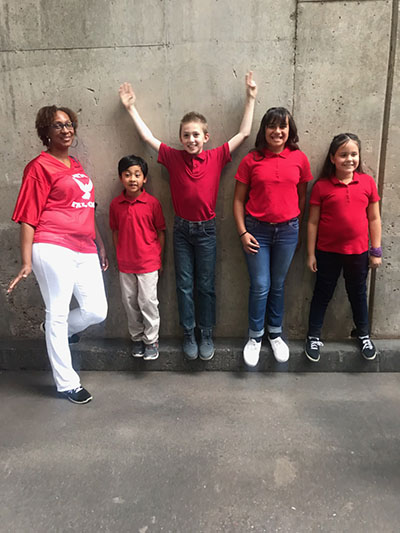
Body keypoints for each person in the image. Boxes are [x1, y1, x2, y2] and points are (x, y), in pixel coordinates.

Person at [119, 72, 257, 361]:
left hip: (206, 231)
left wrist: (250, 98)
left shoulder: (217, 156)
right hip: (181, 230)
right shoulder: (172, 157)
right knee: (184, 284)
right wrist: (131, 108)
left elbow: (243, 134)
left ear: (206, 137)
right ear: (180, 138)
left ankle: (206, 332)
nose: (191, 139)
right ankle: (189, 333)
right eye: (186, 135)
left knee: (205, 285)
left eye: (196, 135)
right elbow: (147, 137)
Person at [8, 105, 108, 404]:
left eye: (69, 124)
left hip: (84, 246)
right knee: (58, 312)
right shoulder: (39, 166)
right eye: (57, 125)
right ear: (46, 132)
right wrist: (26, 261)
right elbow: (28, 215)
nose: (65, 130)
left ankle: (55, 330)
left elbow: (87, 209)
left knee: (96, 310)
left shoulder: (76, 165)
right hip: (52, 244)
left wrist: (99, 242)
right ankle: (67, 383)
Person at [233, 107, 313, 367]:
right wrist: (243, 232)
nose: (277, 132)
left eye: (283, 127)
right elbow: (237, 200)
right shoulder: (251, 160)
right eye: (272, 126)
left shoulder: (299, 158)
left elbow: (302, 196)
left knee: (278, 284)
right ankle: (255, 337)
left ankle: (275, 333)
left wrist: (295, 225)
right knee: (260, 285)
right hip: (257, 231)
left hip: (288, 231)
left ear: (290, 130)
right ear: (264, 130)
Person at [305, 133, 381, 362]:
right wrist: (310, 254)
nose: (349, 159)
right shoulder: (321, 186)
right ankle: (313, 336)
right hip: (327, 252)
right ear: (332, 158)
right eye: (343, 154)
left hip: (358, 253)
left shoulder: (367, 183)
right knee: (322, 293)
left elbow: (375, 218)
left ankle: (364, 334)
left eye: (354, 154)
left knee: (358, 294)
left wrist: (375, 250)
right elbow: (312, 222)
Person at [110, 154, 166, 360]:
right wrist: (119, 255)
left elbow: (161, 231)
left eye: (137, 174)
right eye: (127, 175)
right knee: (129, 302)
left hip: (149, 263)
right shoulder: (116, 205)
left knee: (148, 302)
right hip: (126, 264)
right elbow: (115, 231)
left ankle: (151, 340)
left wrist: (160, 258)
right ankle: (137, 338)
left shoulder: (152, 203)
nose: (132, 179)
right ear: (120, 178)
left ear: (145, 179)